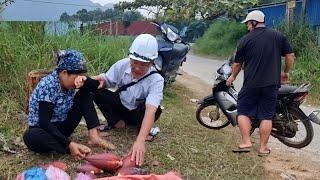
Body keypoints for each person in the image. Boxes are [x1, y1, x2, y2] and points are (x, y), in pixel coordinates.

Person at [75, 34, 164, 166]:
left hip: (137, 113)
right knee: (94, 89)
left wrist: (140, 141)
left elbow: (150, 111)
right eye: (134, 62)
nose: (138, 68)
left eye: (144, 65)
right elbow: (105, 80)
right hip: (120, 106)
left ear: (152, 62)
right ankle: (114, 123)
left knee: (156, 110)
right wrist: (86, 80)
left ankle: (139, 129)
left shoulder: (156, 80)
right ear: (130, 57)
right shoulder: (122, 65)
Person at [23, 49, 115, 160]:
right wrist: (69, 144)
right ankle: (68, 148)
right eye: (77, 77)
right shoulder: (48, 86)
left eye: (82, 78)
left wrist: (86, 80)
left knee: (86, 92)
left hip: (63, 127)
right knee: (30, 136)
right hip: (45, 130)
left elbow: (95, 86)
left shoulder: (71, 82)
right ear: (64, 73)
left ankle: (94, 137)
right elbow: (44, 123)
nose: (79, 82)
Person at [226, 10, 295, 156]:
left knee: (243, 111)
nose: (247, 27)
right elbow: (290, 55)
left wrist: (232, 77)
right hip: (271, 84)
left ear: (253, 22)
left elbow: (237, 64)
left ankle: (246, 142)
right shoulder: (278, 36)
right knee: (266, 115)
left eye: (248, 24)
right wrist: (286, 72)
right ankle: (263, 148)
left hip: (251, 84)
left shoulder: (245, 40)